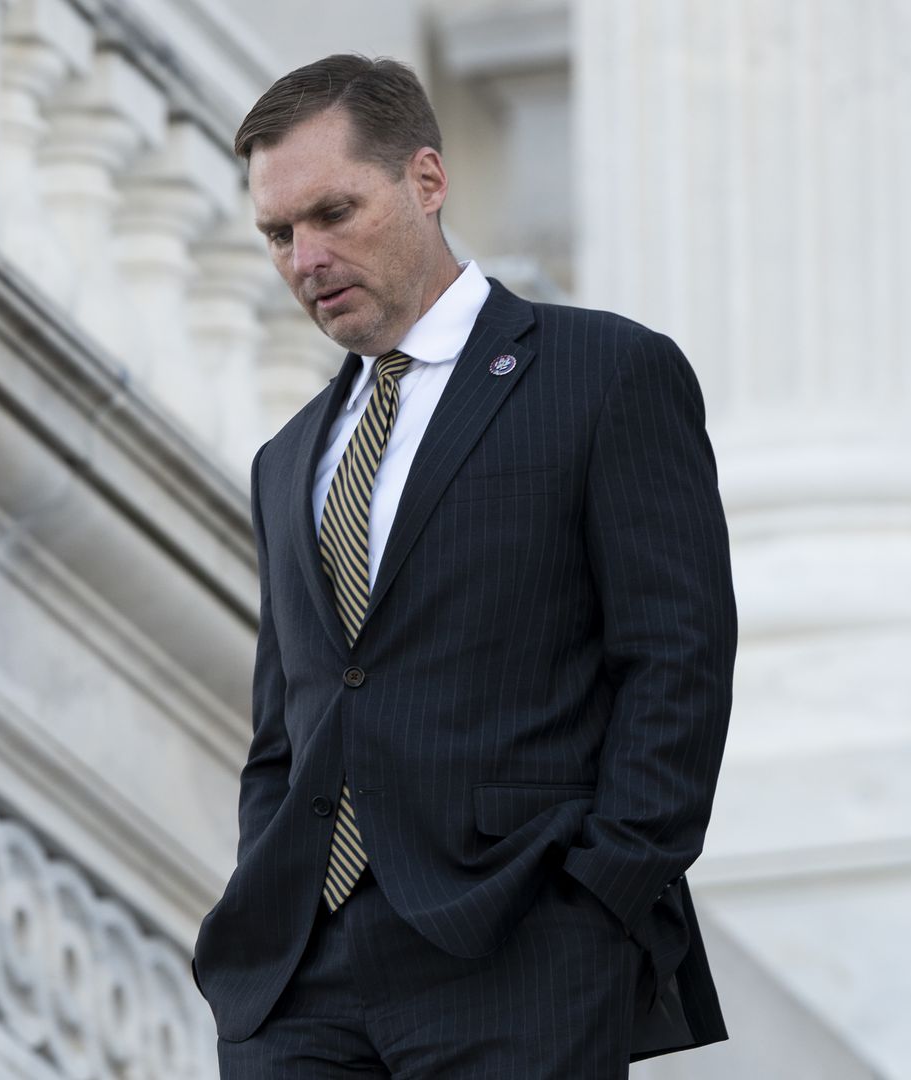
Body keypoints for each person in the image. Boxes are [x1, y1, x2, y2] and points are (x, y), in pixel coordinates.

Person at [190, 54, 737, 1078]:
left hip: (519, 946)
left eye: (334, 212)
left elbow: (679, 661)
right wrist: (263, 897)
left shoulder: (604, 375)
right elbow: (287, 732)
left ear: (428, 182)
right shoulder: (287, 460)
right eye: (278, 233)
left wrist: (600, 901)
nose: (306, 257)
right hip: (300, 982)